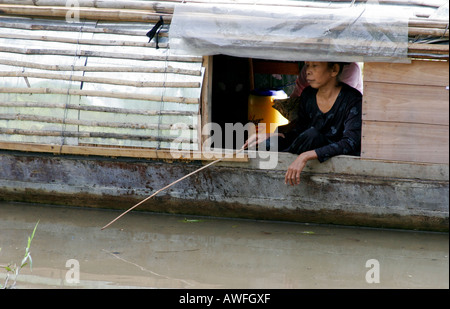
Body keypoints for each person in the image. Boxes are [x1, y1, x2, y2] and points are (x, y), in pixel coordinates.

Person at [243, 61, 363, 186]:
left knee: (312, 135)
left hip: (334, 159)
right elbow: (298, 133)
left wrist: (305, 156)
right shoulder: (308, 95)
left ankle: (283, 166)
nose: (308, 71)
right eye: (307, 65)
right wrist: (271, 135)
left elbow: (350, 142)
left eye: (315, 66)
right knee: (269, 144)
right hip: (304, 148)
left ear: (334, 70)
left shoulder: (353, 99)